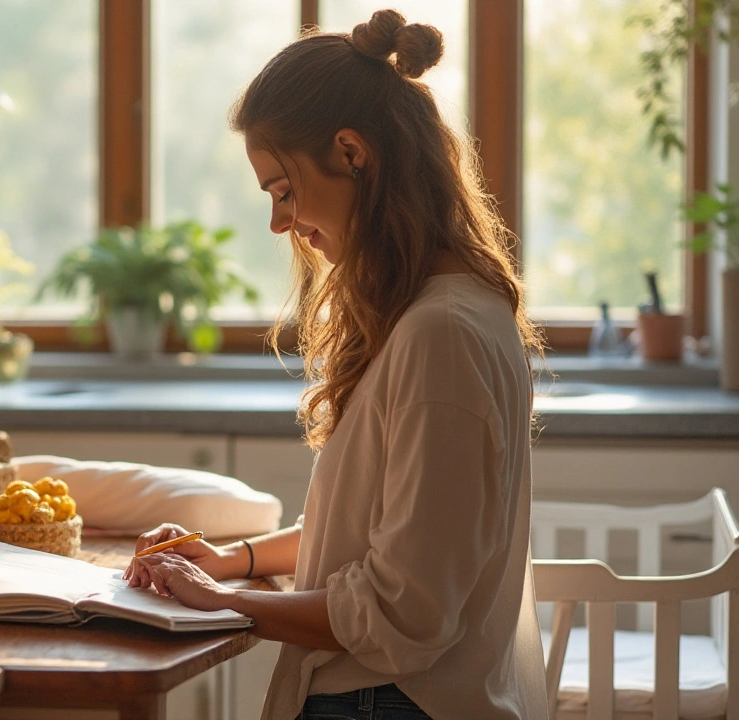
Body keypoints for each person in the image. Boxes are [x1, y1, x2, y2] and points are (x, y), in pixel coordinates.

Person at [123, 8, 550, 720]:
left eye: (283, 191)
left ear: (353, 152)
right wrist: (233, 561)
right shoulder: (439, 314)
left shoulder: (441, 336)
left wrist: (229, 605)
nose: (278, 223)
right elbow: (386, 539)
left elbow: (403, 608)